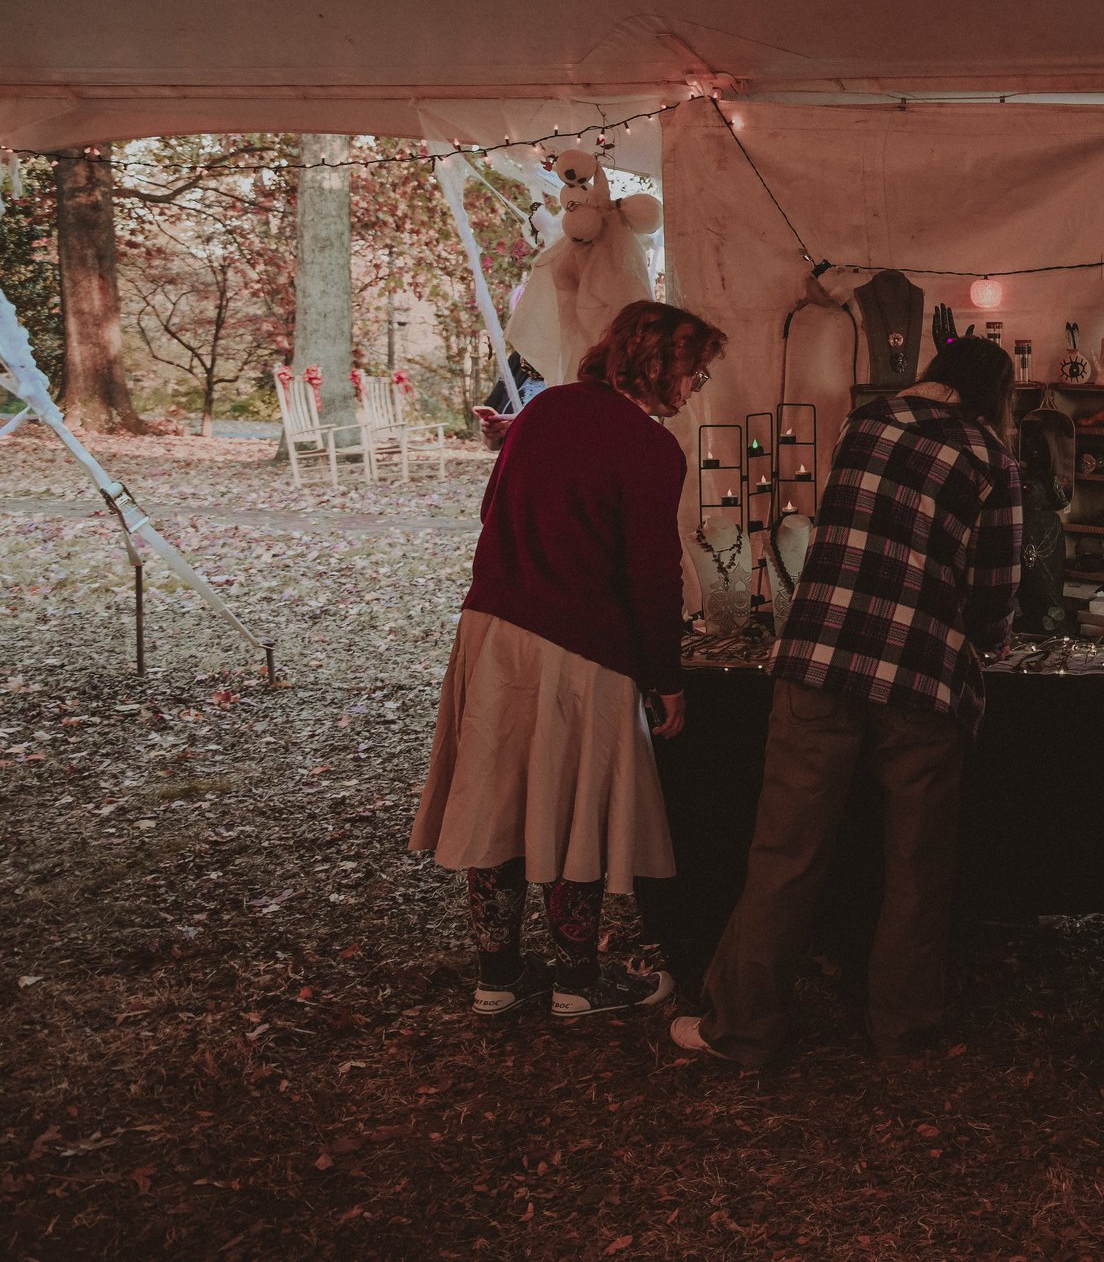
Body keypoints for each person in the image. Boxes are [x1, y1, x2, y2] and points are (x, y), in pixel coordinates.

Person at [674, 336, 1023, 1067]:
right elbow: (995, 596)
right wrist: (984, 636)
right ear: (997, 396)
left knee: (785, 853)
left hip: (819, 657)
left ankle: (743, 1029)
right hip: (921, 675)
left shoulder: (867, 422)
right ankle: (902, 1031)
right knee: (917, 865)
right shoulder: (993, 457)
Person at [409, 300, 726, 1019]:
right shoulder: (650, 449)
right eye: (692, 370)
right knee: (568, 800)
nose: (695, 386)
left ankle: (497, 976)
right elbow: (651, 575)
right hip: (579, 641)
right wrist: (666, 679)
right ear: (655, 362)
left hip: (493, 628)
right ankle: (577, 982)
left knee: (499, 795)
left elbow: (494, 507)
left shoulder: (544, 411)